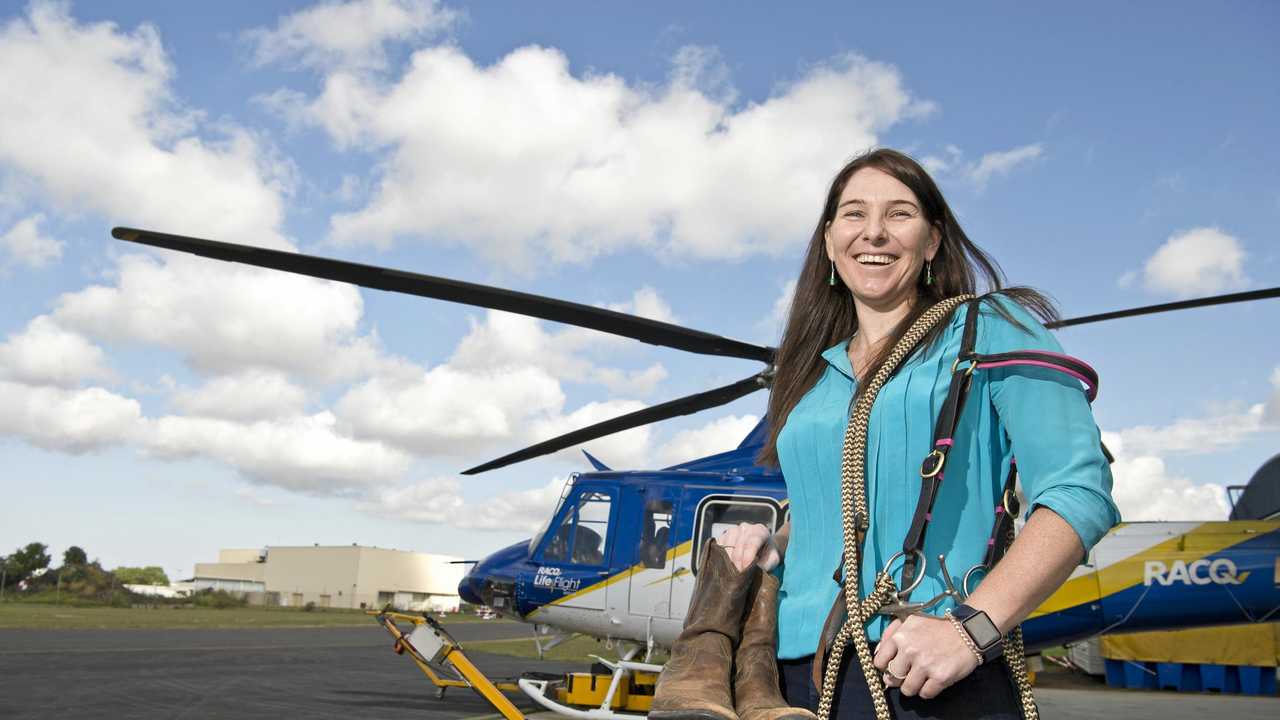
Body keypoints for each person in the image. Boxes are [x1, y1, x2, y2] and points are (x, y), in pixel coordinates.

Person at [714, 148, 1121, 719]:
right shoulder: (812, 377)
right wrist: (772, 545)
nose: (874, 232)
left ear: (931, 241)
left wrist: (972, 629)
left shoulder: (992, 329)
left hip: (929, 672)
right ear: (830, 241)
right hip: (788, 683)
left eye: (899, 214)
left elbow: (1080, 493)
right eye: (853, 214)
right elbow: (828, 514)